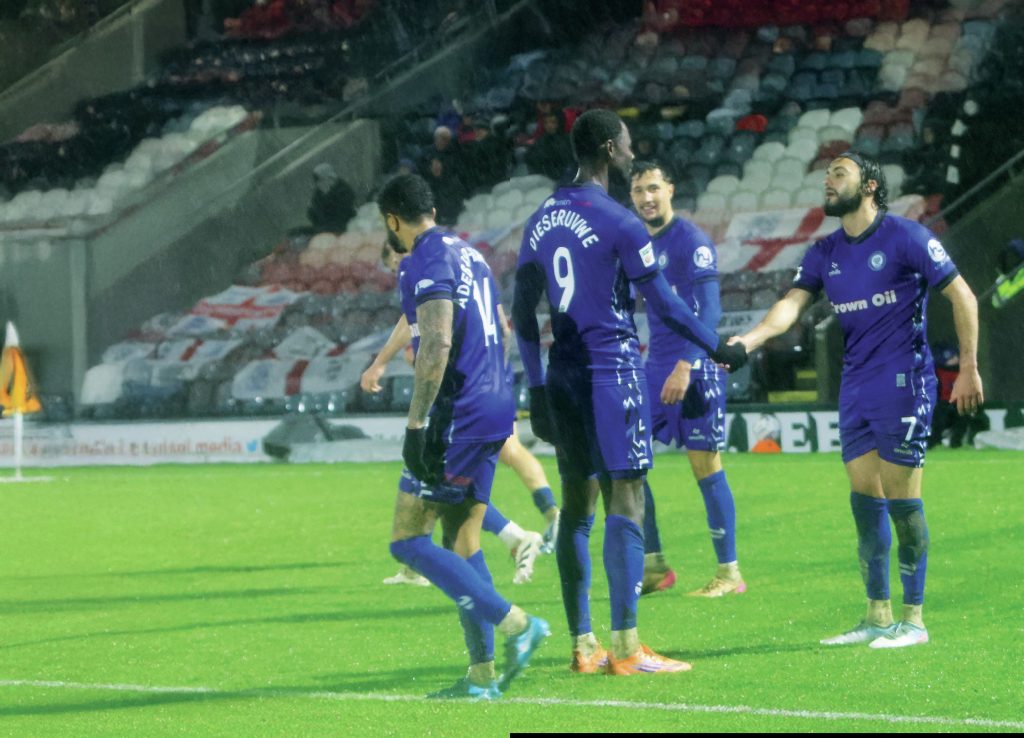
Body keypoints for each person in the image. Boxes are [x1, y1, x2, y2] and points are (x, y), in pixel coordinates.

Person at [512, 108, 747, 676]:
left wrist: (537, 385)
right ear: (610, 150)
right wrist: (717, 347)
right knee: (628, 496)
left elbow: (521, 311)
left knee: (576, 505)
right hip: (610, 371)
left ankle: (583, 644)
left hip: (562, 374)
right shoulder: (620, 222)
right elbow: (664, 303)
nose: (630, 150)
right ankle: (626, 648)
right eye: (627, 144)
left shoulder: (540, 219)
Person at [733, 151, 984, 649]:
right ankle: (876, 614)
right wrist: (751, 339)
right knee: (864, 504)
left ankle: (913, 619)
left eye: (839, 174)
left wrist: (970, 368)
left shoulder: (906, 236)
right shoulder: (825, 251)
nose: (828, 181)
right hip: (855, 387)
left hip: (904, 383)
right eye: (826, 174)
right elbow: (791, 305)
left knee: (903, 502)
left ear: (869, 186)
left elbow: (964, 297)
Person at [379, 173, 548, 699]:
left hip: (459, 413)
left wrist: (416, 423)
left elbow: (436, 343)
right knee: (463, 539)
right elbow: (496, 326)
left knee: (407, 540)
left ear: (392, 221)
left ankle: (520, 625)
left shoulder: (422, 261)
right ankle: (481, 675)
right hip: (494, 403)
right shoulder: (472, 256)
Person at [365, 242, 557, 586]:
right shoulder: (466, 262)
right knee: (460, 496)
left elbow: (427, 335)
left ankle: (513, 599)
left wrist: (384, 365)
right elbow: (501, 326)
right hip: (489, 390)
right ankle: (518, 537)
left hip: (465, 400)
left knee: (444, 488)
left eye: (396, 262)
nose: (399, 270)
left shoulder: (429, 272)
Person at [629, 160, 747, 598]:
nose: (647, 198)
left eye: (654, 188)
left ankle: (729, 572)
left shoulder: (691, 241)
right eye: (639, 190)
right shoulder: (636, 243)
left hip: (693, 369)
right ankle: (654, 565)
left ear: (671, 190)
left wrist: (688, 364)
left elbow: (709, 313)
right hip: (652, 368)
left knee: (706, 467)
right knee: (630, 465)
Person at [307, 162, 356, 233]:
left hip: (343, 227)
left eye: (322, 180)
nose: (319, 184)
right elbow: (315, 214)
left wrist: (327, 197)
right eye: (318, 182)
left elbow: (343, 214)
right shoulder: (318, 194)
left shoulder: (343, 191)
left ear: (331, 178)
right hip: (324, 228)